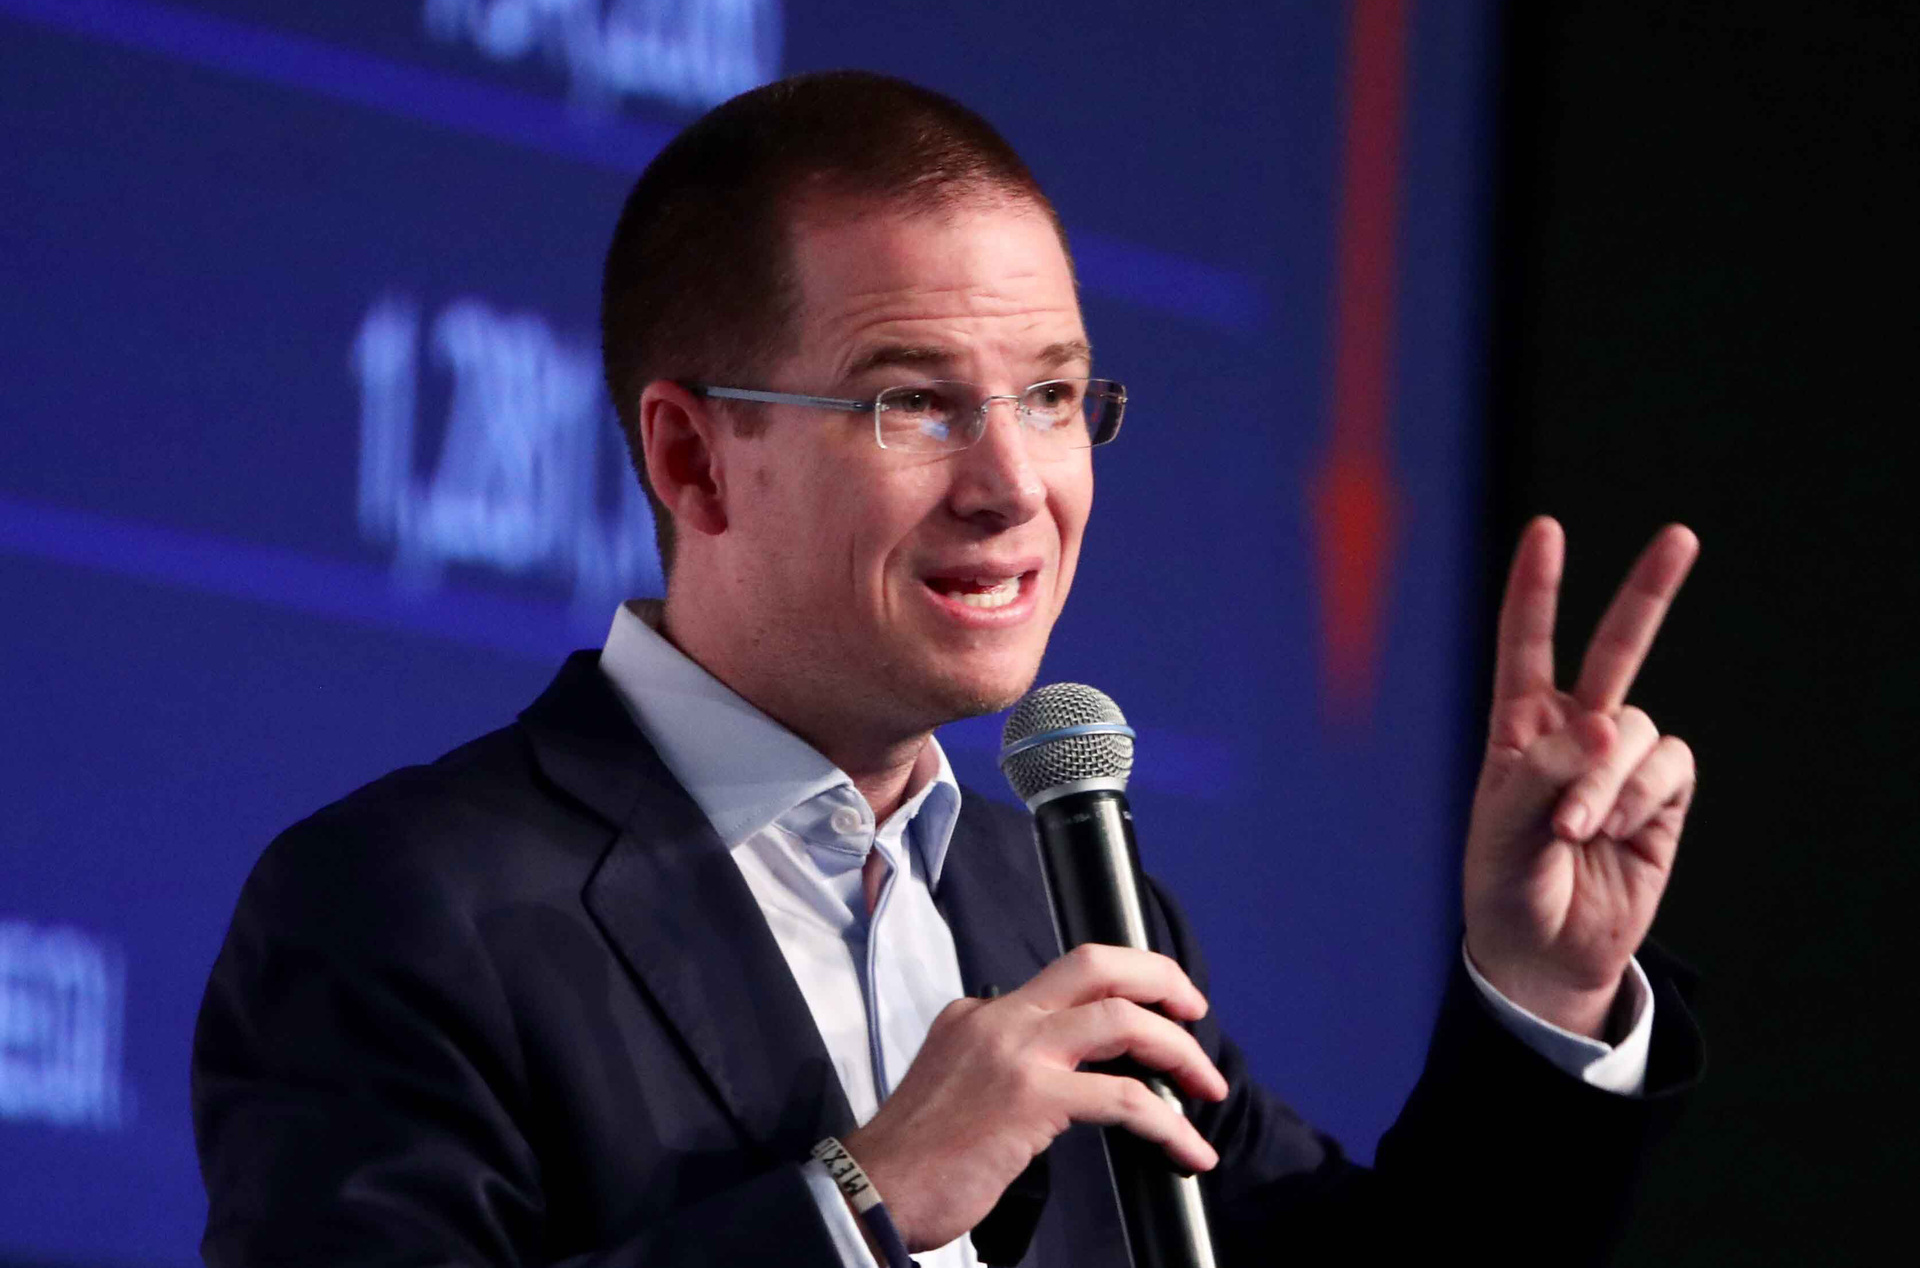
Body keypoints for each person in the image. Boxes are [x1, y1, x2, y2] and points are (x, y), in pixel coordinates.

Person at [192, 71, 1703, 1266]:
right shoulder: (403, 905)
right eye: (914, 402)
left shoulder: (1061, 903)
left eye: (1052, 395)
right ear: (693, 457)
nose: (1014, 485)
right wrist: (858, 1206)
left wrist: (1544, 987)